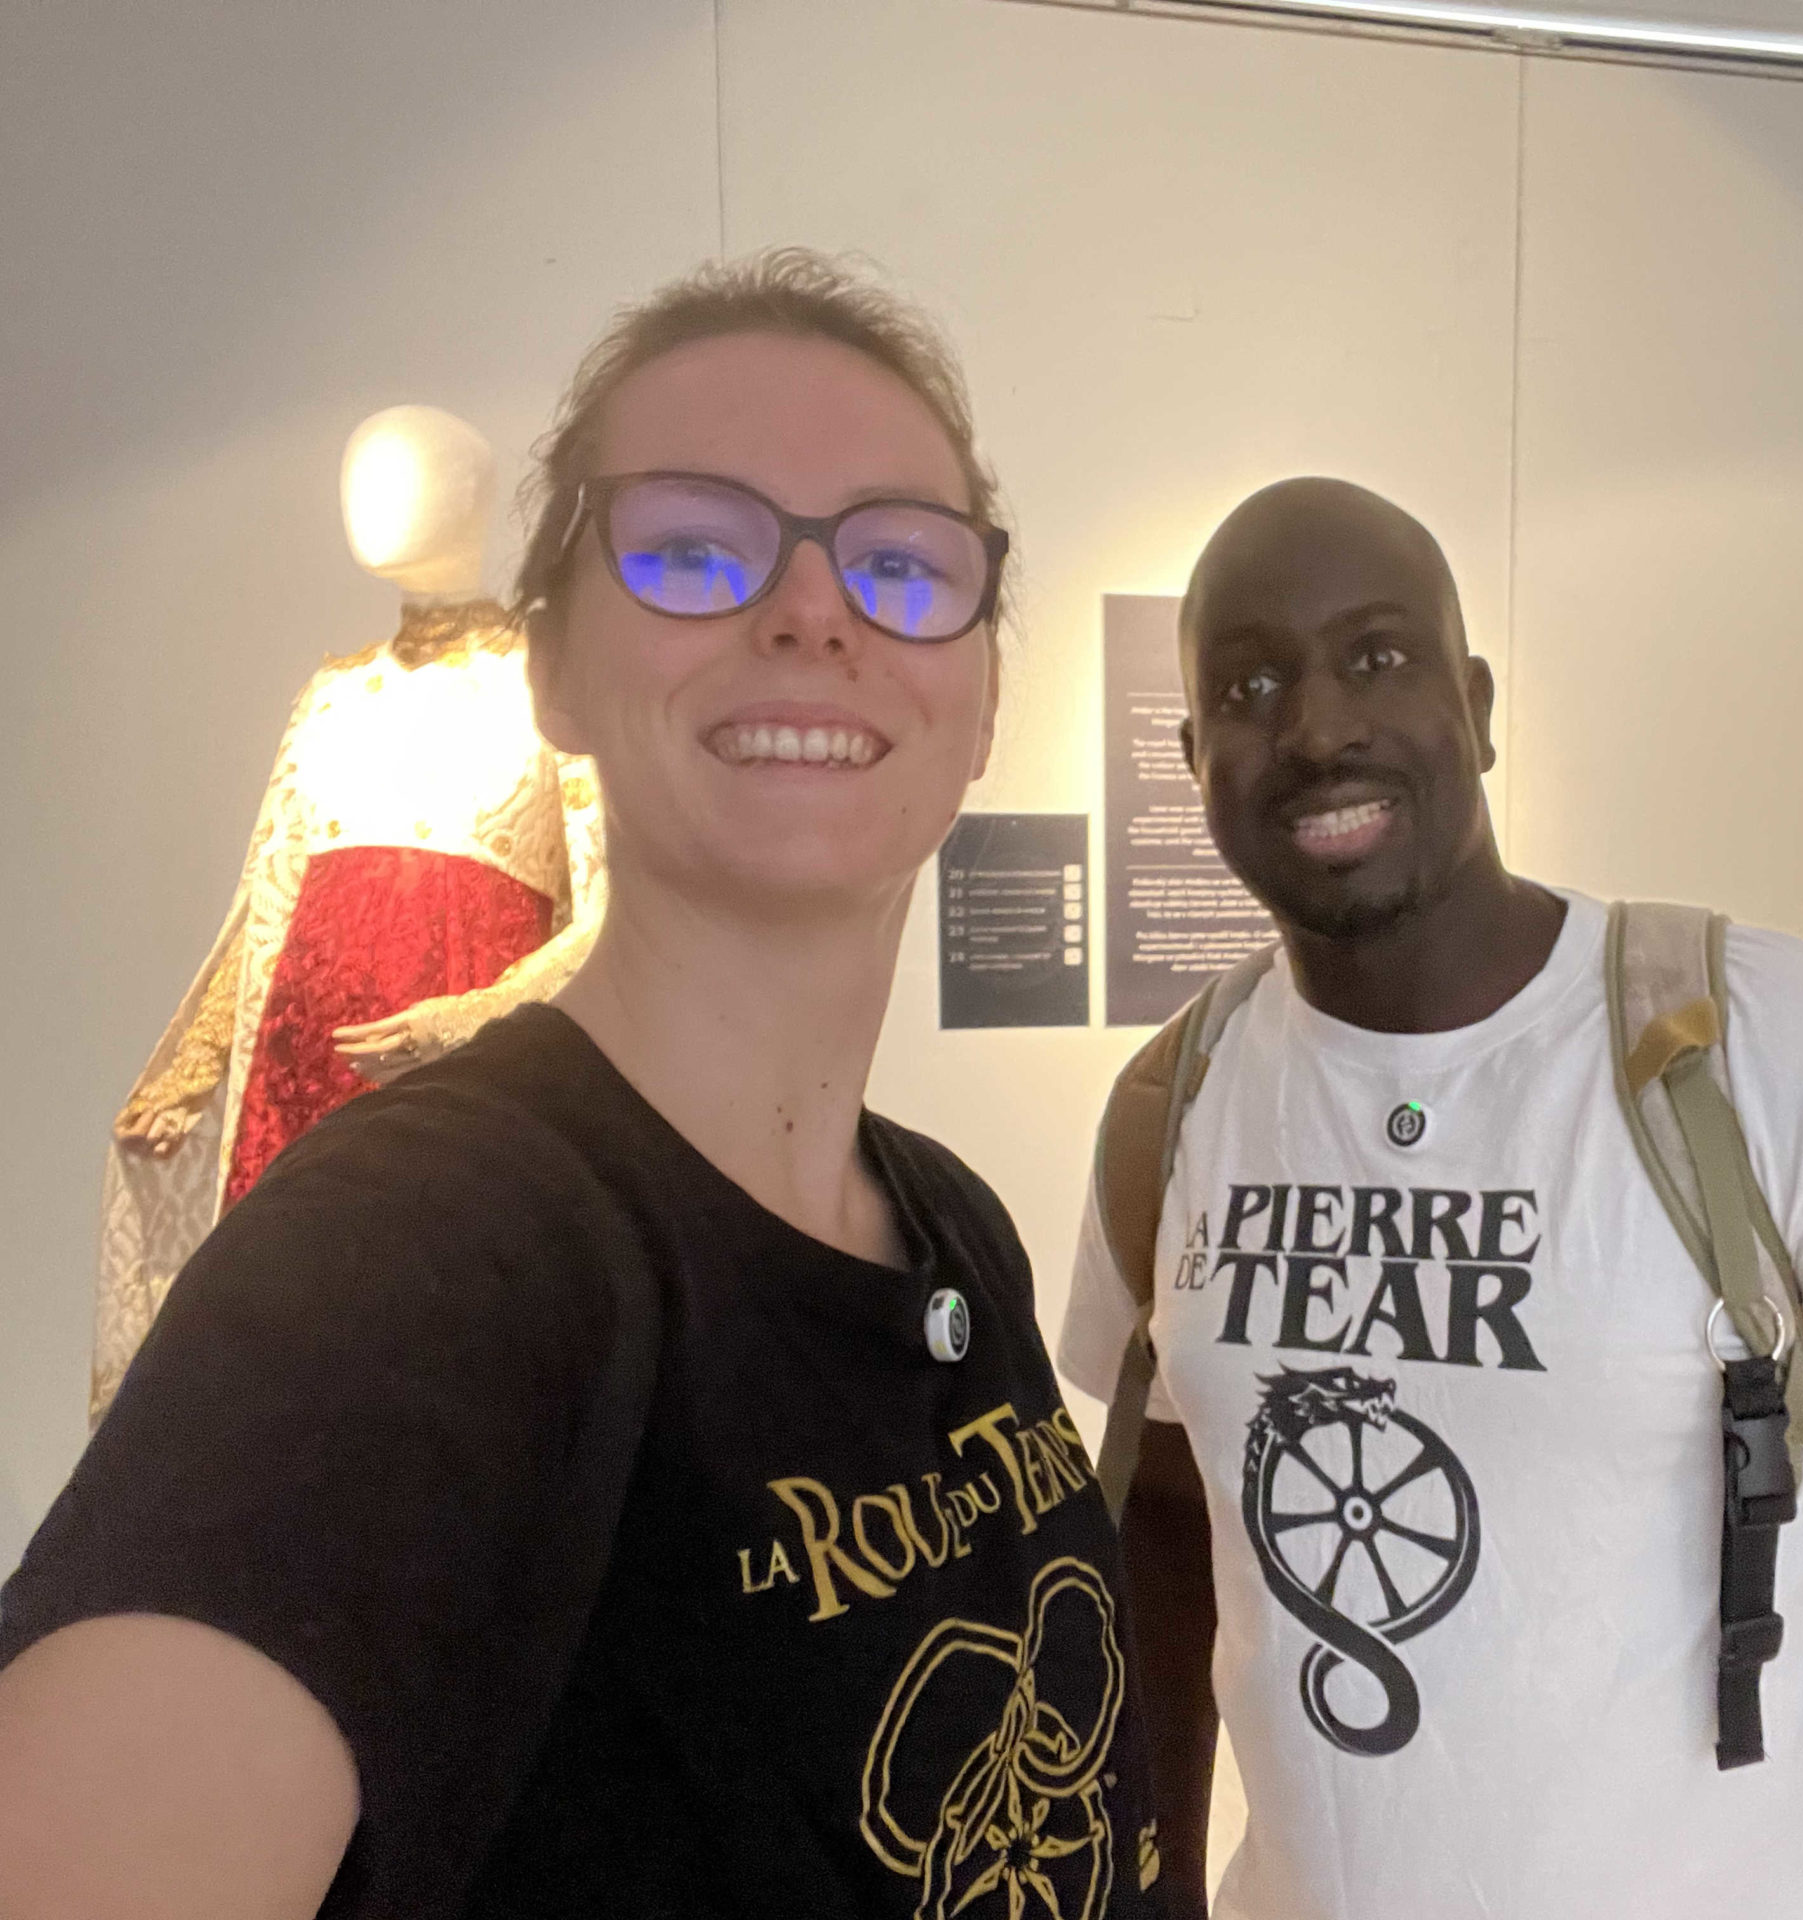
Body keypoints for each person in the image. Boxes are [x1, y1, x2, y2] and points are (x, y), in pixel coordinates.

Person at [0, 250, 1163, 1920]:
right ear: (549, 668)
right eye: (693, 548)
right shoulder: (423, 1255)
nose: (813, 611)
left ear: (981, 702)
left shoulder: (948, 1221)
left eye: (904, 565)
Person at [1059, 476, 1803, 1920]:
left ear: (1477, 706)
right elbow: (1160, 1528)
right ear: (1194, 754)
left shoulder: (1794, 1062)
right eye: (1250, 686)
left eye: (1377, 657)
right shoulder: (1177, 1103)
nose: (1318, 728)